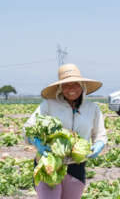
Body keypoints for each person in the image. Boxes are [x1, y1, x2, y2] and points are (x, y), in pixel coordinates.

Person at [23, 63, 107, 199]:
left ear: (82, 86)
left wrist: (98, 145)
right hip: (49, 164)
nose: (71, 89)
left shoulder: (92, 108)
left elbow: (100, 135)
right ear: (60, 88)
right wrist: (35, 141)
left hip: (76, 166)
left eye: (75, 84)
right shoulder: (48, 105)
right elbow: (27, 128)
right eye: (66, 85)